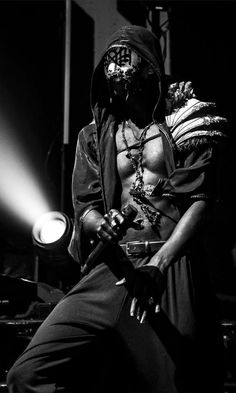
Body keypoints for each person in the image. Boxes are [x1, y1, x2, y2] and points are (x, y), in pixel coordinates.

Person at [7, 25, 227, 393]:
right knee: (27, 374)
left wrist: (162, 263)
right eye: (112, 67)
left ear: (150, 69)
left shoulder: (185, 121)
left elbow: (201, 200)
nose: (119, 76)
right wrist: (99, 224)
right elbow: (86, 207)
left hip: (169, 263)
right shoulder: (95, 136)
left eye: (128, 66)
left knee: (181, 380)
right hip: (115, 267)